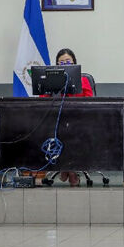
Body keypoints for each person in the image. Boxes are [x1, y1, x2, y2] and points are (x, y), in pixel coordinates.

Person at [40, 48, 94, 186]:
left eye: (68, 61)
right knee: (60, 130)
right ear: (57, 65)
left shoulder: (83, 79)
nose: (65, 64)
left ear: (74, 63)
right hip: (57, 121)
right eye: (61, 62)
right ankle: (71, 170)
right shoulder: (50, 80)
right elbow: (42, 100)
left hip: (79, 121)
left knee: (70, 132)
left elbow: (90, 100)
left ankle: (66, 168)